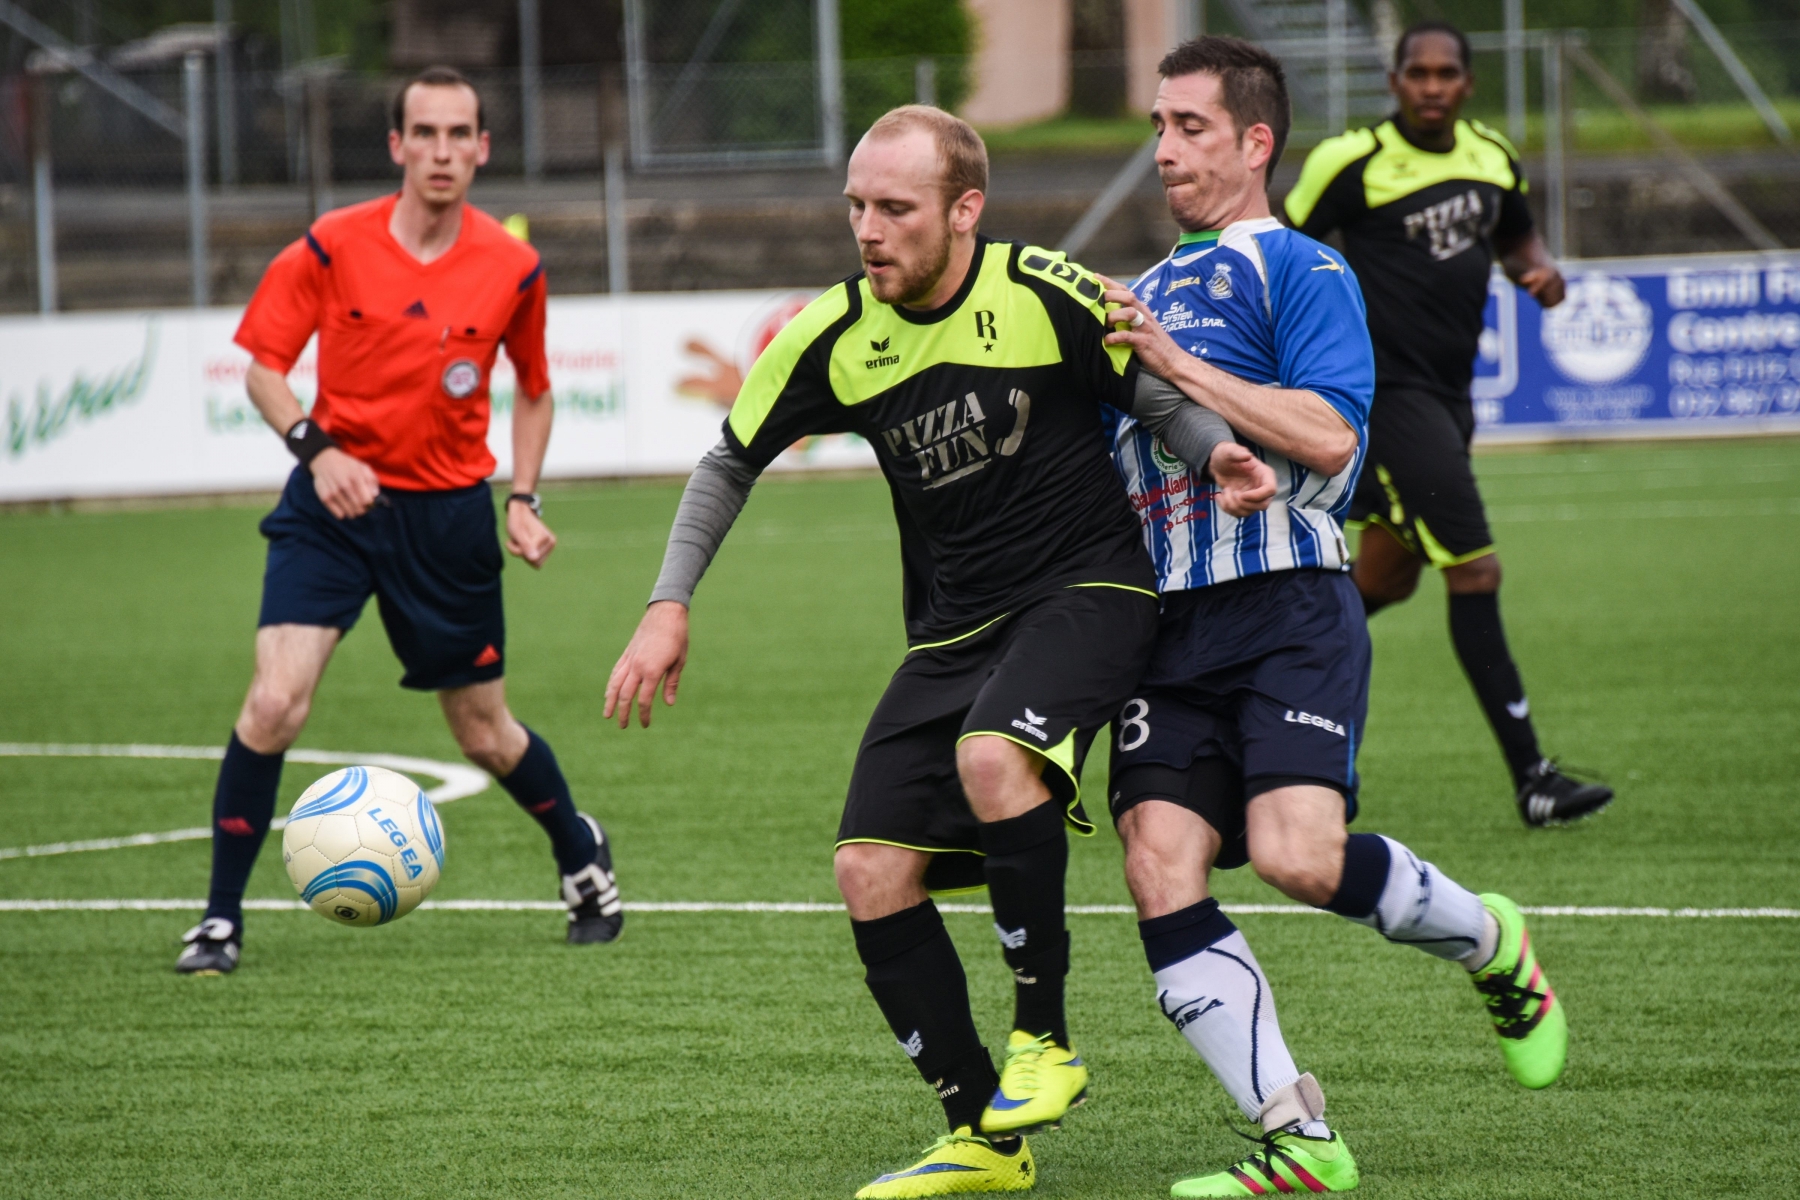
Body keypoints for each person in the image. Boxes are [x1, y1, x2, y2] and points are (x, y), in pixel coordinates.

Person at [604, 105, 1271, 1198]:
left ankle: (1044, 1043)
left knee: (992, 758)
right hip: (954, 628)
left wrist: (1216, 455)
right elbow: (728, 461)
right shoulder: (832, 334)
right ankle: (982, 1139)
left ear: (965, 211)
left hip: (1087, 591)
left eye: (896, 208)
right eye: (858, 206)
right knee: (868, 873)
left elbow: (1148, 394)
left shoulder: (1043, 288)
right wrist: (667, 602)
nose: (869, 230)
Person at [1098, 37, 1569, 1197]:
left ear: (1256, 141)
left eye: (1191, 127)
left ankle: (1489, 942)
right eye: (1158, 126)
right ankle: (1298, 1139)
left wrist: (1179, 369)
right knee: (1159, 862)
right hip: (1169, 631)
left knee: (1296, 860)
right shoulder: (1135, 298)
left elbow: (1332, 440)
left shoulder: (1300, 267)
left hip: (1290, 605)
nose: (1165, 149)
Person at [176, 67, 622, 975]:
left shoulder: (512, 266)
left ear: (483, 148)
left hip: (449, 520)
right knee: (273, 703)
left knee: (482, 734)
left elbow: (535, 394)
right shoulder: (334, 244)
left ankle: (581, 858)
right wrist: (316, 449)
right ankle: (219, 922)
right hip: (332, 507)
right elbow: (263, 366)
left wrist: (524, 499)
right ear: (397, 146)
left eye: (461, 134)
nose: (444, 151)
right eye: (426, 133)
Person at [1285, 22, 1613, 827]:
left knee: (1386, 579)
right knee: (1475, 571)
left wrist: (1536, 271)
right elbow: (1276, 250)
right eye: (1417, 73)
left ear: (1467, 83)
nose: (1432, 85)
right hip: (1386, 396)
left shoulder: (1491, 156)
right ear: (1393, 81)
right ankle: (1534, 777)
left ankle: (1259, 660)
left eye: (1447, 73)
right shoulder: (1350, 160)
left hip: (1449, 396)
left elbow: (1516, 235)